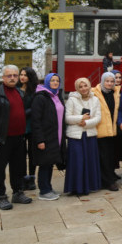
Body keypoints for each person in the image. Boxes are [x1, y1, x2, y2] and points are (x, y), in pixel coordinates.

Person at [0, 65, 32, 209]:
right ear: (3, 77)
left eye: (15, 75)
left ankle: (17, 193)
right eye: (9, 76)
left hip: (19, 138)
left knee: (18, 168)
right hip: (2, 139)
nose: (12, 78)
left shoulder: (20, 93)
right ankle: (1, 196)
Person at [64, 78, 102, 195]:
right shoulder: (71, 100)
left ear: (89, 86)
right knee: (77, 162)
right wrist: (80, 118)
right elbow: (67, 118)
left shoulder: (95, 99)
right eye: (80, 87)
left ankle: (90, 185)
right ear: (77, 88)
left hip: (90, 135)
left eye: (85, 85)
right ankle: (76, 188)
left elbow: (98, 117)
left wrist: (86, 123)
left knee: (90, 160)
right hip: (76, 136)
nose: (83, 88)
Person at [31, 73, 65, 201]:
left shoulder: (56, 96)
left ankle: (48, 187)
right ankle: (44, 191)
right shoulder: (40, 97)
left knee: (50, 163)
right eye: (52, 81)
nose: (55, 83)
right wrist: (40, 140)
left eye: (57, 80)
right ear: (46, 82)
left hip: (56, 136)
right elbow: (36, 120)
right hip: (45, 137)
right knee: (45, 163)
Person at [93, 72, 121, 191]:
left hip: (112, 131)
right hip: (100, 130)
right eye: (107, 81)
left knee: (110, 156)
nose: (109, 83)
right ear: (102, 81)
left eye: (111, 81)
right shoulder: (94, 93)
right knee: (103, 157)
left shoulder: (115, 93)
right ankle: (108, 181)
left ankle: (108, 178)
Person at [19, 67, 40, 191]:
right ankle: (22, 178)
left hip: (32, 124)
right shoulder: (16, 90)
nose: (22, 77)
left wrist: (23, 113)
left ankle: (32, 178)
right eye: (21, 74)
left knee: (32, 153)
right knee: (21, 154)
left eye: (25, 75)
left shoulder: (36, 91)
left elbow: (35, 107)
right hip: (19, 125)